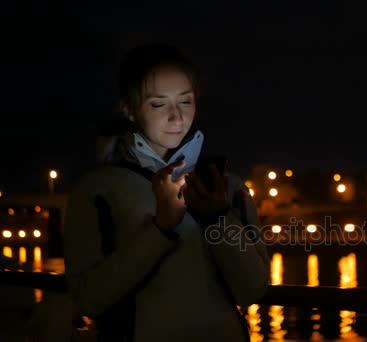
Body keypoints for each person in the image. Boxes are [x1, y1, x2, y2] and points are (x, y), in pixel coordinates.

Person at [63, 43, 270, 342]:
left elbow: (252, 290)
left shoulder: (227, 186)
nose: (176, 118)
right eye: (158, 104)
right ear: (128, 109)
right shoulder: (98, 190)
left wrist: (218, 219)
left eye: (185, 102)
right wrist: (161, 228)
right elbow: (90, 299)